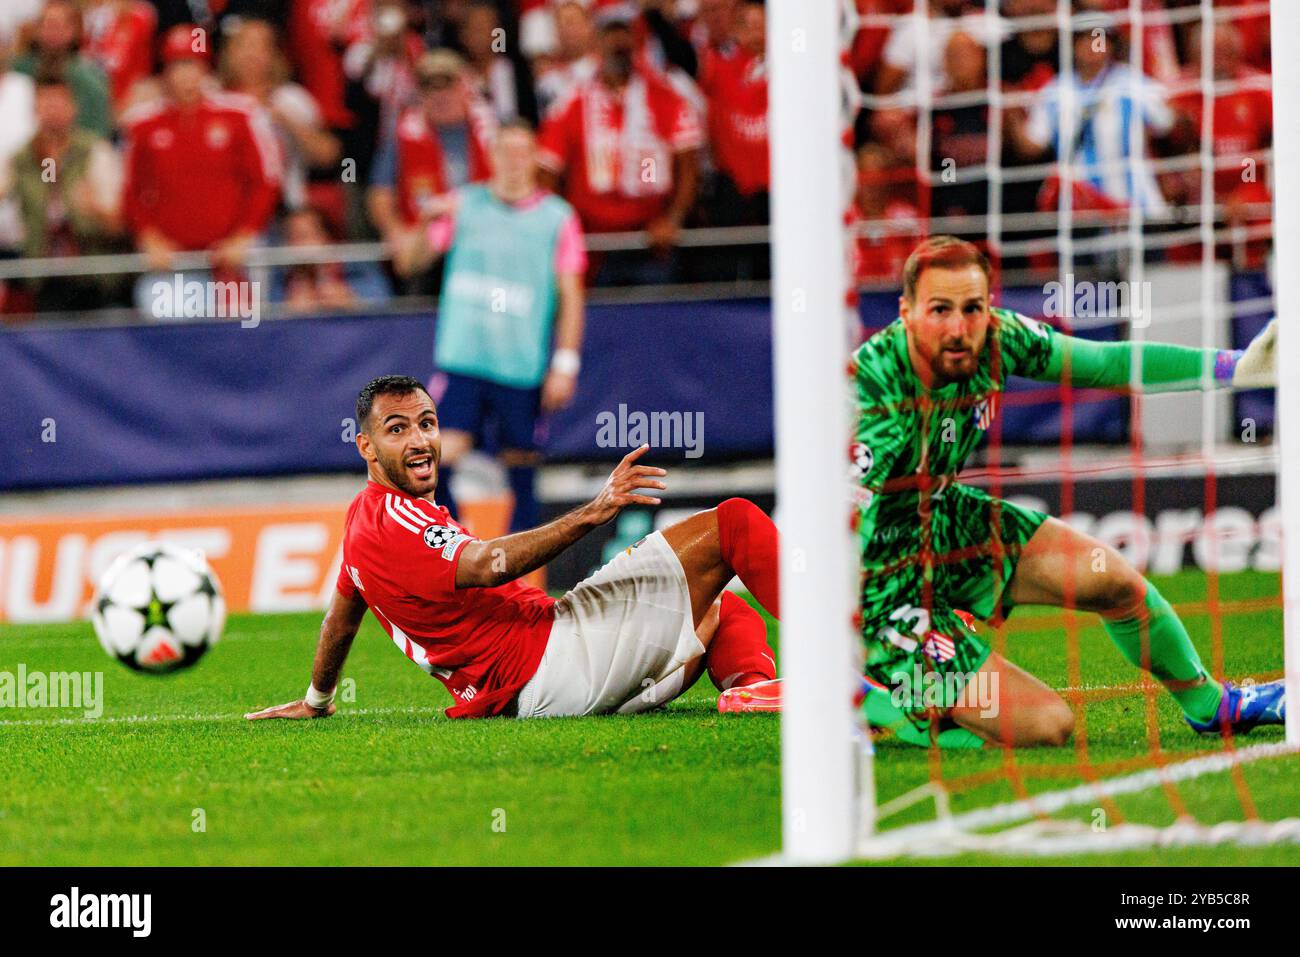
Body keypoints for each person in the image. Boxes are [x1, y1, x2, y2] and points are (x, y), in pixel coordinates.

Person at [852, 236, 1284, 748]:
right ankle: (866, 692)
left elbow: (1107, 364)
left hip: (942, 523)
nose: (958, 328)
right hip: (880, 582)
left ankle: (1213, 706)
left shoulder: (997, 337)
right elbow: (835, 534)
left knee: (1113, 582)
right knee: (1046, 725)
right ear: (905, 312)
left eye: (972, 309)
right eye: (939, 310)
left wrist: (1235, 368)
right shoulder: (871, 393)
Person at [245, 374, 781, 722]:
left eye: (427, 424)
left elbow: (342, 617)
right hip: (553, 658)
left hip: (535, 685)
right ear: (366, 446)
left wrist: (317, 700)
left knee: (720, 607)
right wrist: (592, 514)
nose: (418, 441)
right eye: (397, 429)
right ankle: (847, 660)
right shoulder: (400, 518)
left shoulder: (363, 520)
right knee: (735, 525)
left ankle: (752, 690)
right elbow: (485, 565)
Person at [394, 119, 585, 535]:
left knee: (521, 462)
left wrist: (565, 364)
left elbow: (571, 294)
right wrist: (427, 221)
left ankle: (518, 569)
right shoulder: (464, 204)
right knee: (435, 455)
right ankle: (456, 552)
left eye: (522, 152)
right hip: (463, 361)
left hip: (519, 365)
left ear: (535, 159)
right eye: (505, 151)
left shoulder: (557, 218)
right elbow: (409, 263)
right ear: (491, 155)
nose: (513, 161)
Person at [121, 23, 282, 307]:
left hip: (233, 258)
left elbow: (266, 180)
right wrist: (148, 237)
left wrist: (246, 234)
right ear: (166, 72)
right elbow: (132, 189)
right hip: (173, 262)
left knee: (243, 333)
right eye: (179, 65)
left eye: (194, 65)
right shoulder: (143, 124)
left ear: (206, 68)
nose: (187, 75)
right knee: (169, 324)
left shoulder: (240, 114)